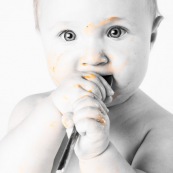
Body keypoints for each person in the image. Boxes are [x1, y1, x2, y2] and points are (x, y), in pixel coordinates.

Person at [0, 0, 173, 172]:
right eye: (69, 35)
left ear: (151, 35)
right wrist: (52, 112)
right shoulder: (29, 111)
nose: (92, 58)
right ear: (42, 38)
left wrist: (99, 154)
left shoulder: (160, 131)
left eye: (115, 32)